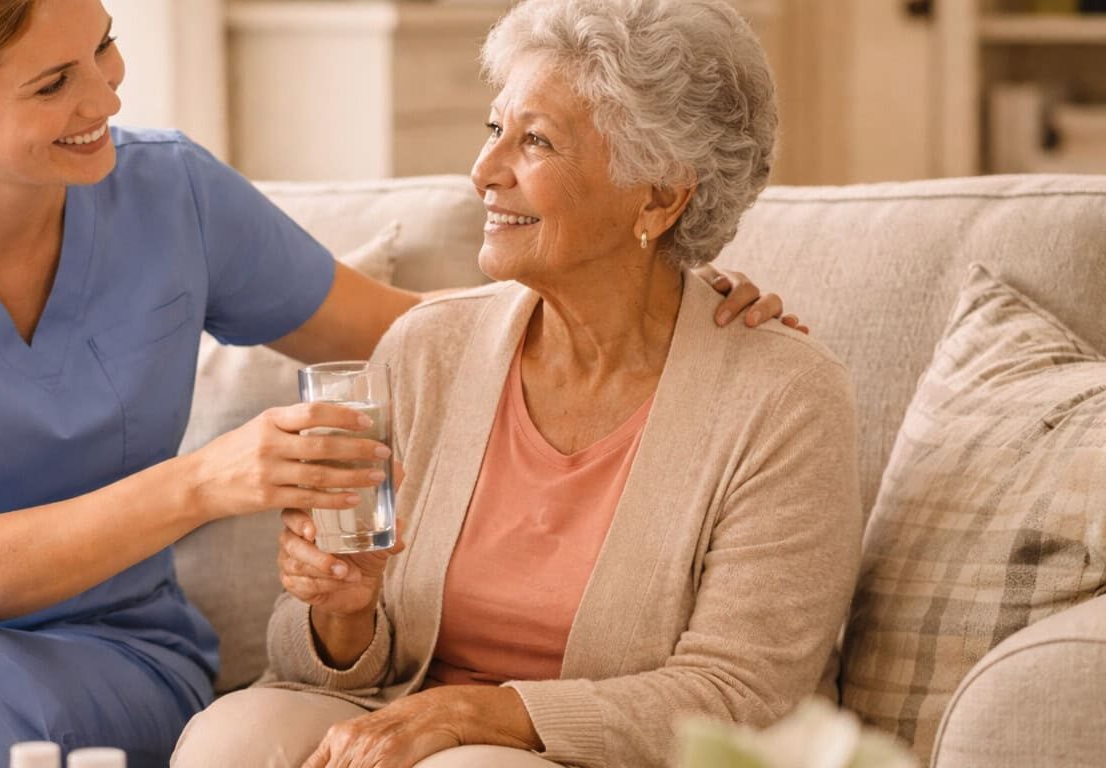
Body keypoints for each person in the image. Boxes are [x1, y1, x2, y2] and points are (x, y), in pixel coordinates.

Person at [0, 0, 795, 765]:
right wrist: (206, 483)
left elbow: (440, 344)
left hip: (93, 645)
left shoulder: (168, 194)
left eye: (104, 46)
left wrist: (671, 298)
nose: (103, 94)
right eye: (53, 83)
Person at [170, 1, 861, 767]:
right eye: (494, 129)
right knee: (227, 741)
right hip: (404, 724)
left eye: (535, 141)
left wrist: (481, 715)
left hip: (597, 752)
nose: (484, 172)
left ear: (661, 196)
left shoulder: (785, 399)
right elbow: (319, 665)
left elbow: (742, 696)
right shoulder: (429, 348)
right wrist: (344, 610)